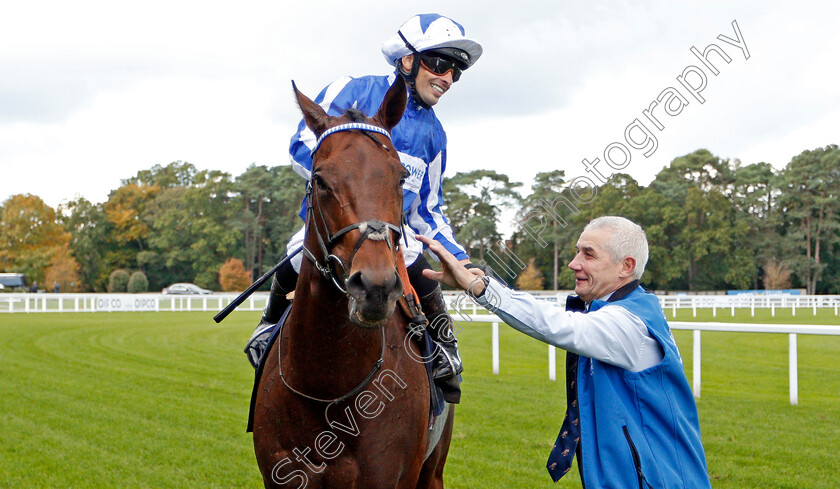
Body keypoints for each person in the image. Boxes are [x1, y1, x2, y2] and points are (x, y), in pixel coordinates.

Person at [244, 14, 484, 403]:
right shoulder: (352, 90)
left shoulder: (435, 134)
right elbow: (302, 142)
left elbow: (428, 209)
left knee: (418, 264)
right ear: (407, 60)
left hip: (393, 237)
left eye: (456, 70)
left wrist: (460, 259)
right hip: (334, 227)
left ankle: (444, 343)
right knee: (296, 253)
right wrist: (348, 179)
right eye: (439, 63)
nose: (447, 77)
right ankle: (268, 325)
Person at [417, 216, 712, 488]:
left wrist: (478, 286)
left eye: (589, 254)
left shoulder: (629, 323)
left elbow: (559, 325)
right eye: (576, 252)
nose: (573, 263)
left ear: (626, 266)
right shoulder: (626, 311)